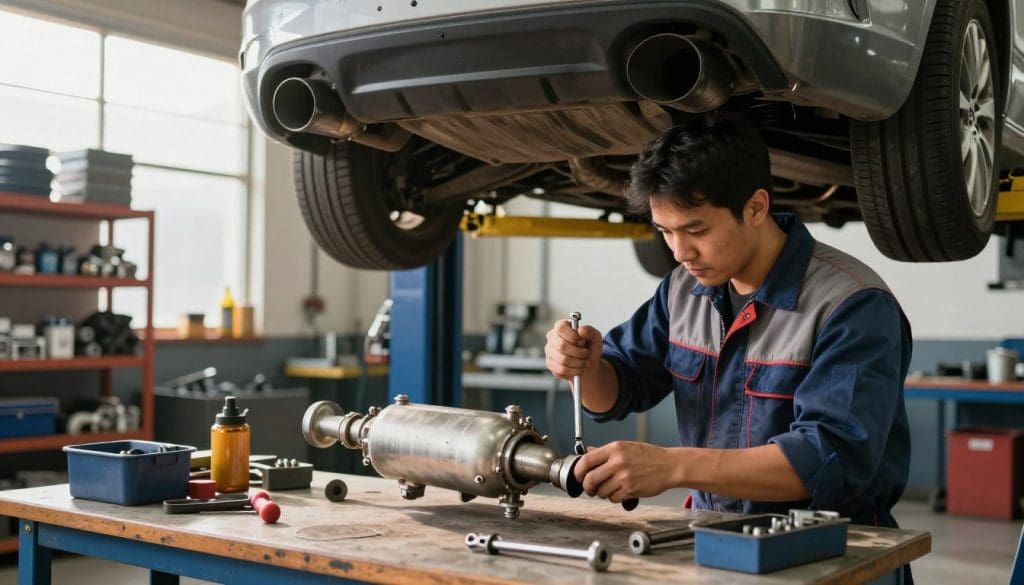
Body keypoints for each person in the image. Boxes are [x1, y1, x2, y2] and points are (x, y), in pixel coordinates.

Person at [544, 113, 912, 531]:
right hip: (711, 535)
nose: (681, 251)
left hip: (837, 547)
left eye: (695, 230)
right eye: (665, 231)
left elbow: (830, 458)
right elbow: (619, 388)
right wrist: (586, 369)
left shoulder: (851, 304)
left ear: (756, 207)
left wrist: (672, 465)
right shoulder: (683, 290)